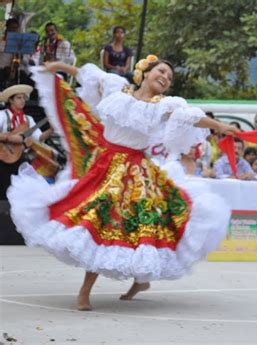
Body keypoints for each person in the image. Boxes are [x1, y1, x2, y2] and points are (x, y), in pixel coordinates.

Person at [7, 55, 237, 311]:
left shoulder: (164, 106)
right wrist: (58, 67)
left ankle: (139, 281)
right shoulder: (117, 87)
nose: (165, 77)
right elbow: (86, 75)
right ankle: (87, 290)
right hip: (104, 165)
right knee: (95, 222)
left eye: (169, 78)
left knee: (135, 229)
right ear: (146, 72)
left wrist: (220, 126)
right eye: (161, 71)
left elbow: (190, 117)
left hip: (136, 173)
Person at [0, 84, 51, 199]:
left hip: (22, 159)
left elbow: (39, 138)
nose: (22, 100)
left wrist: (51, 129)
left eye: (23, 97)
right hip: (3, 159)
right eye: (19, 98)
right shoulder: (2, 115)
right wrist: (9, 138)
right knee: (3, 193)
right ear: (10, 100)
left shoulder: (29, 119)